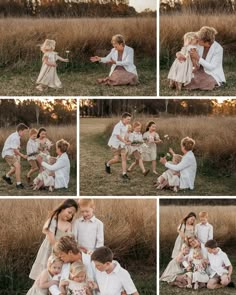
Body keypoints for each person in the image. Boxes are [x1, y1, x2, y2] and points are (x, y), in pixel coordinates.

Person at [29, 199, 78, 280]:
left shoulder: (68, 225)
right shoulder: (52, 220)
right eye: (69, 212)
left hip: (61, 250)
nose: (70, 215)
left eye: (72, 215)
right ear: (62, 208)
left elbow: (69, 239)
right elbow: (50, 236)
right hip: (50, 248)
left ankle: (53, 286)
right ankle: (42, 284)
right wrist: (57, 250)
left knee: (57, 269)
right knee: (46, 266)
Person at [105, 112, 131, 180]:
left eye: (129, 119)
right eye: (128, 119)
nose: (129, 121)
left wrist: (127, 140)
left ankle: (124, 174)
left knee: (124, 158)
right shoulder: (118, 126)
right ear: (123, 118)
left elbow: (124, 135)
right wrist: (125, 141)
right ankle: (107, 164)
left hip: (122, 145)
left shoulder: (127, 126)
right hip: (115, 144)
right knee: (116, 159)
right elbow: (118, 136)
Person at [1, 123, 28, 189]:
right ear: (20, 131)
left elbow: (15, 148)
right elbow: (15, 150)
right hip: (8, 153)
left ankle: (7, 176)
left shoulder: (17, 136)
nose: (25, 134)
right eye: (24, 132)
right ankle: (18, 184)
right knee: (18, 166)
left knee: (15, 168)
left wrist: (18, 151)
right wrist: (22, 155)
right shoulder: (15, 137)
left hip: (11, 153)